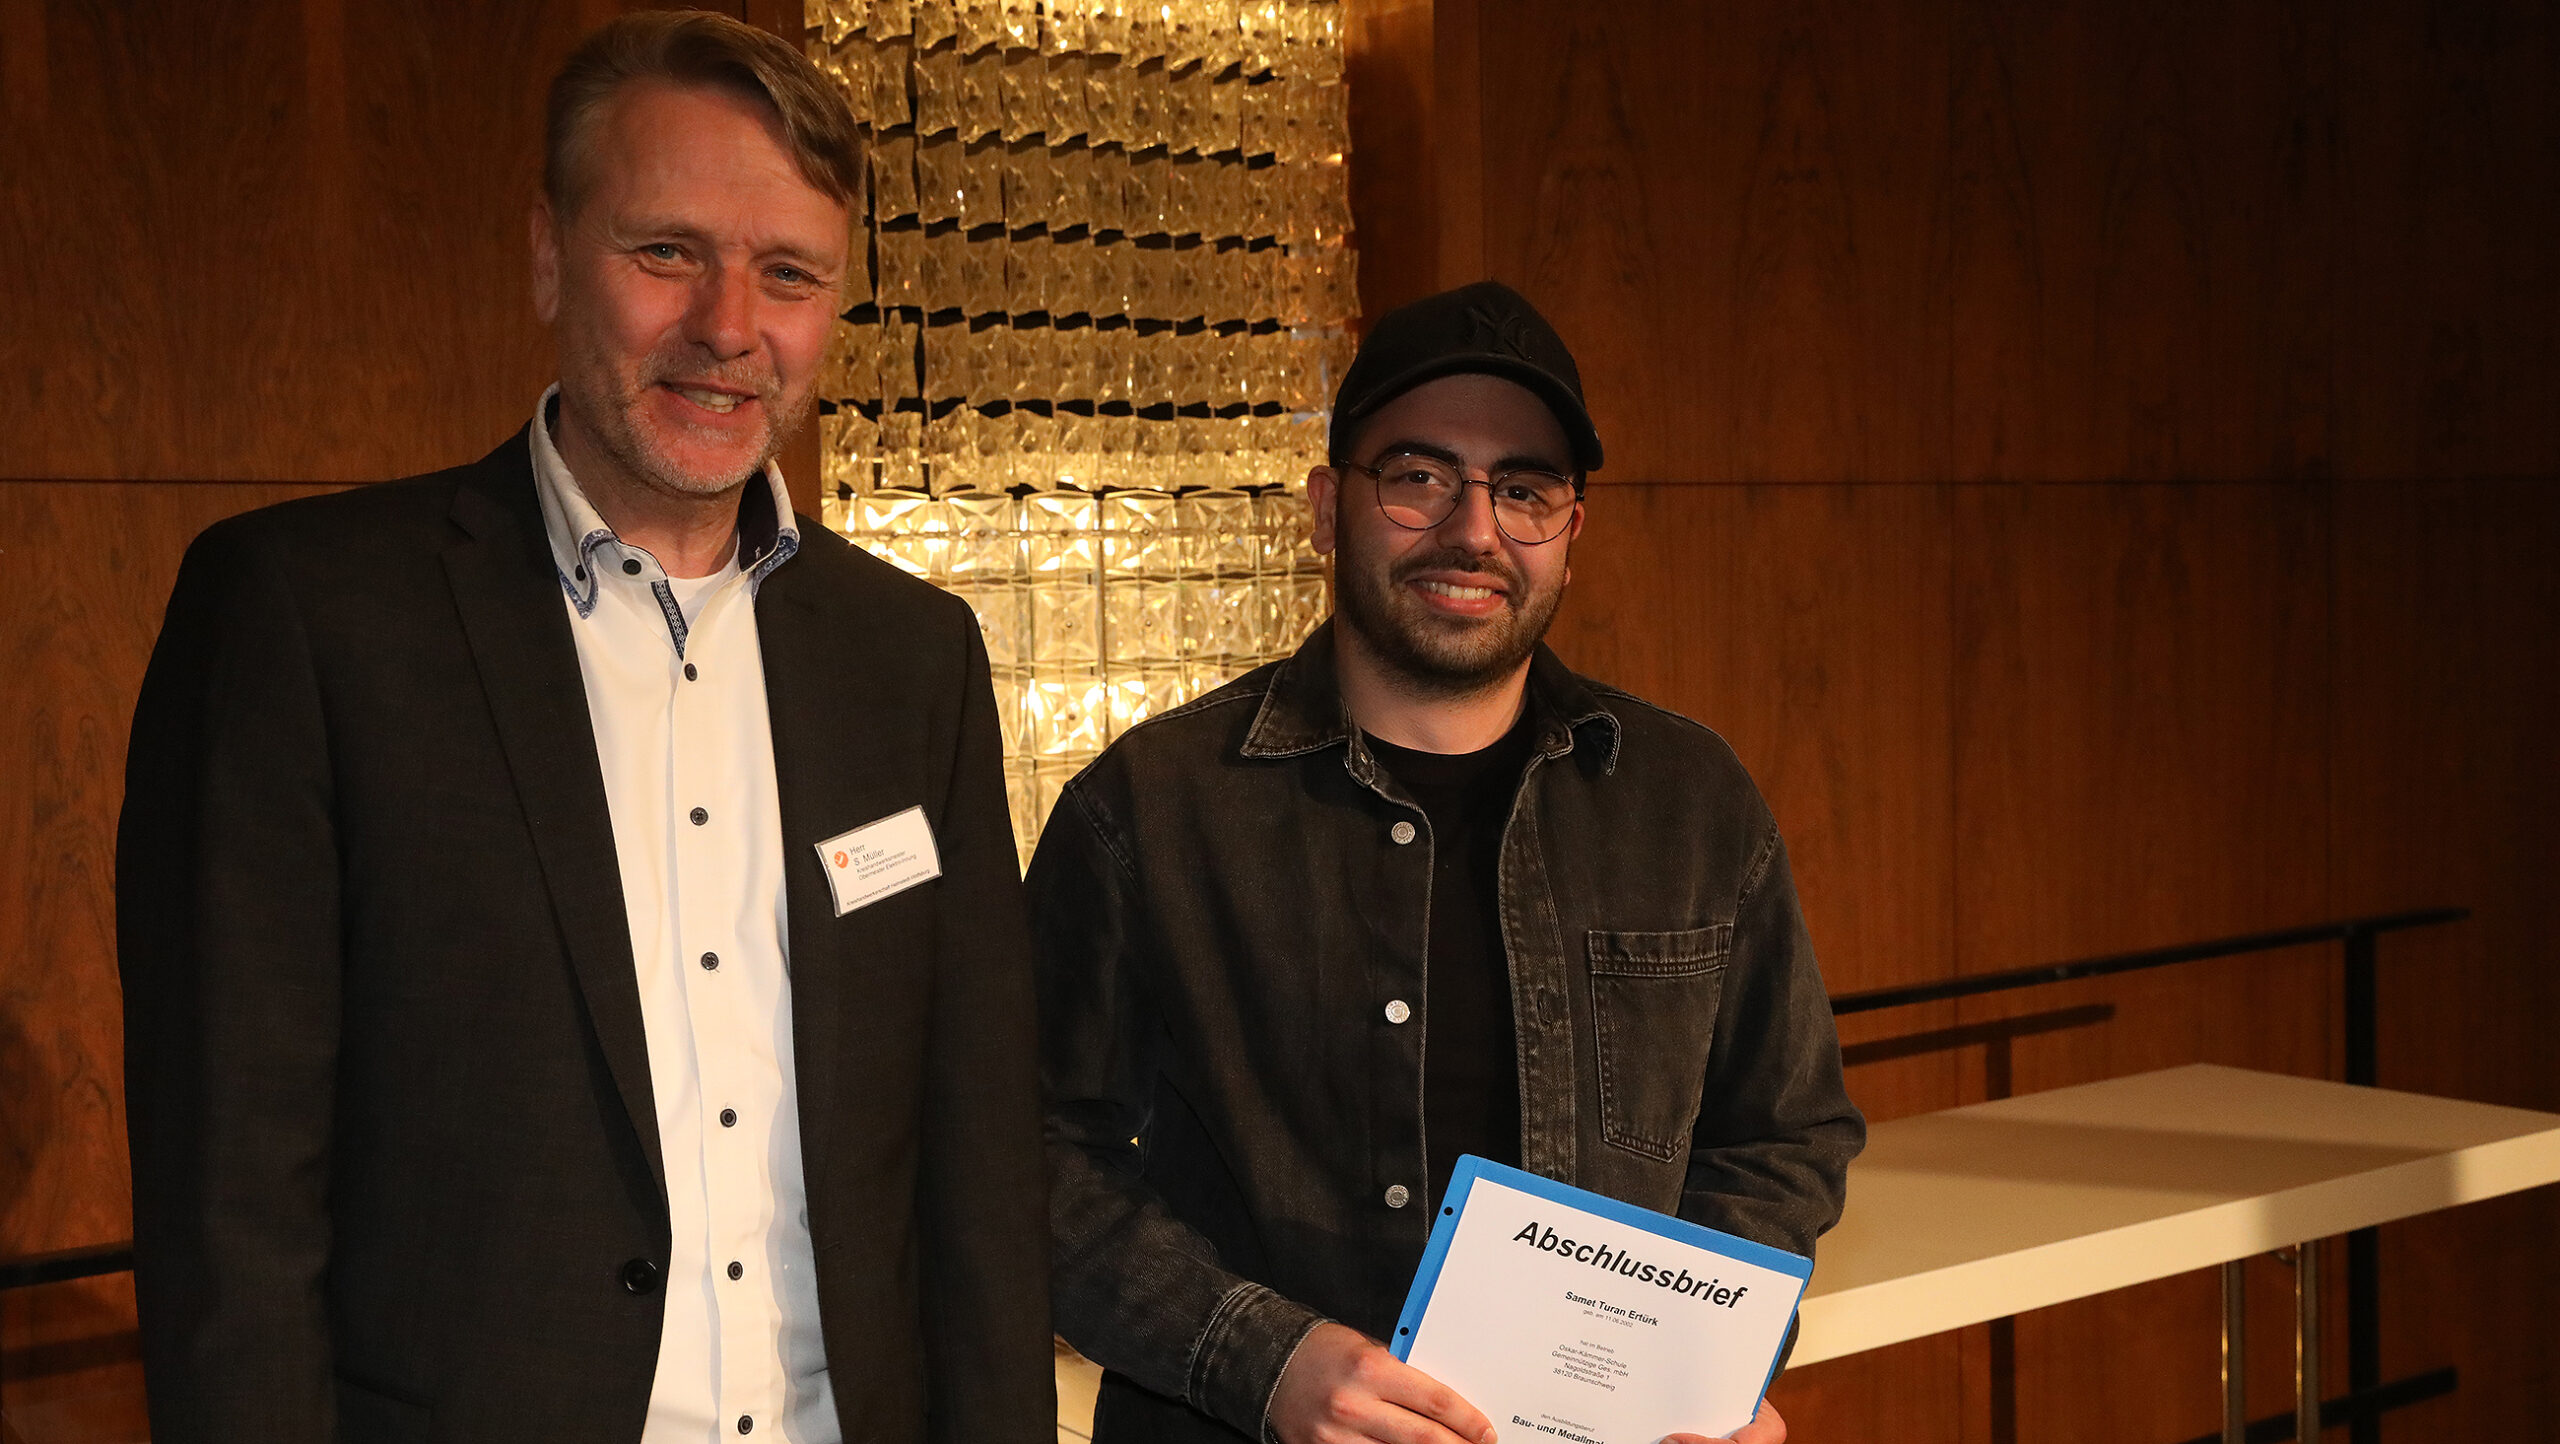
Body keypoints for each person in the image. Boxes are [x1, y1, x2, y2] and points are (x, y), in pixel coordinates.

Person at [115, 12, 1052, 1442]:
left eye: (788, 273)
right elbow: (229, 1197)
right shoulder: (305, 618)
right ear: (549, 255)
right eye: (667, 251)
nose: (729, 326)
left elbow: (978, 1168)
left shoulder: (914, 655)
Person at [1031, 281, 1865, 1444]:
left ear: (1570, 535)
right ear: (1328, 509)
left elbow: (1782, 1134)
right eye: (1418, 476)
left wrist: (1703, 1372)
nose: (1474, 531)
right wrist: (1260, 1359)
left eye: (1522, 489)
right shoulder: (1149, 807)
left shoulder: (1690, 801)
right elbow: (1025, 1154)